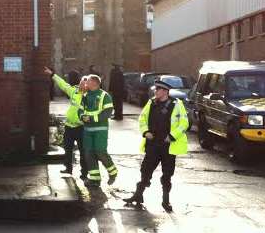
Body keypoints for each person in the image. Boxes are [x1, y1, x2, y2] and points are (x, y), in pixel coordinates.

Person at [124, 79, 189, 212]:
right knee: (145, 170)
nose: (155, 91)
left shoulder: (176, 104)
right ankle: (138, 195)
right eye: (155, 89)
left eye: (158, 89)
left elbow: (184, 123)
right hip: (152, 144)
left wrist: (172, 136)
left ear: (165, 91)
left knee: (167, 175)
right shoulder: (151, 102)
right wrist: (145, 132)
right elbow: (142, 118)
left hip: (168, 146)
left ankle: (166, 201)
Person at [43, 67, 88, 178]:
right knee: (67, 148)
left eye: (85, 84)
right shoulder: (74, 91)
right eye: (81, 83)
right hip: (69, 126)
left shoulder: (90, 97)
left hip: (81, 127)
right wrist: (52, 74)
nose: (82, 85)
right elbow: (63, 84)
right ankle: (68, 168)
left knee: (83, 151)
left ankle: (84, 173)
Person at [79, 74, 118, 187]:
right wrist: (82, 117)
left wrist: (91, 119)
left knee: (100, 152)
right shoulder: (85, 95)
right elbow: (80, 110)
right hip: (87, 130)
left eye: (88, 82)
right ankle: (95, 179)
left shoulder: (105, 96)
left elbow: (107, 112)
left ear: (95, 83)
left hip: (100, 130)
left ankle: (113, 172)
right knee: (88, 153)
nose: (86, 84)